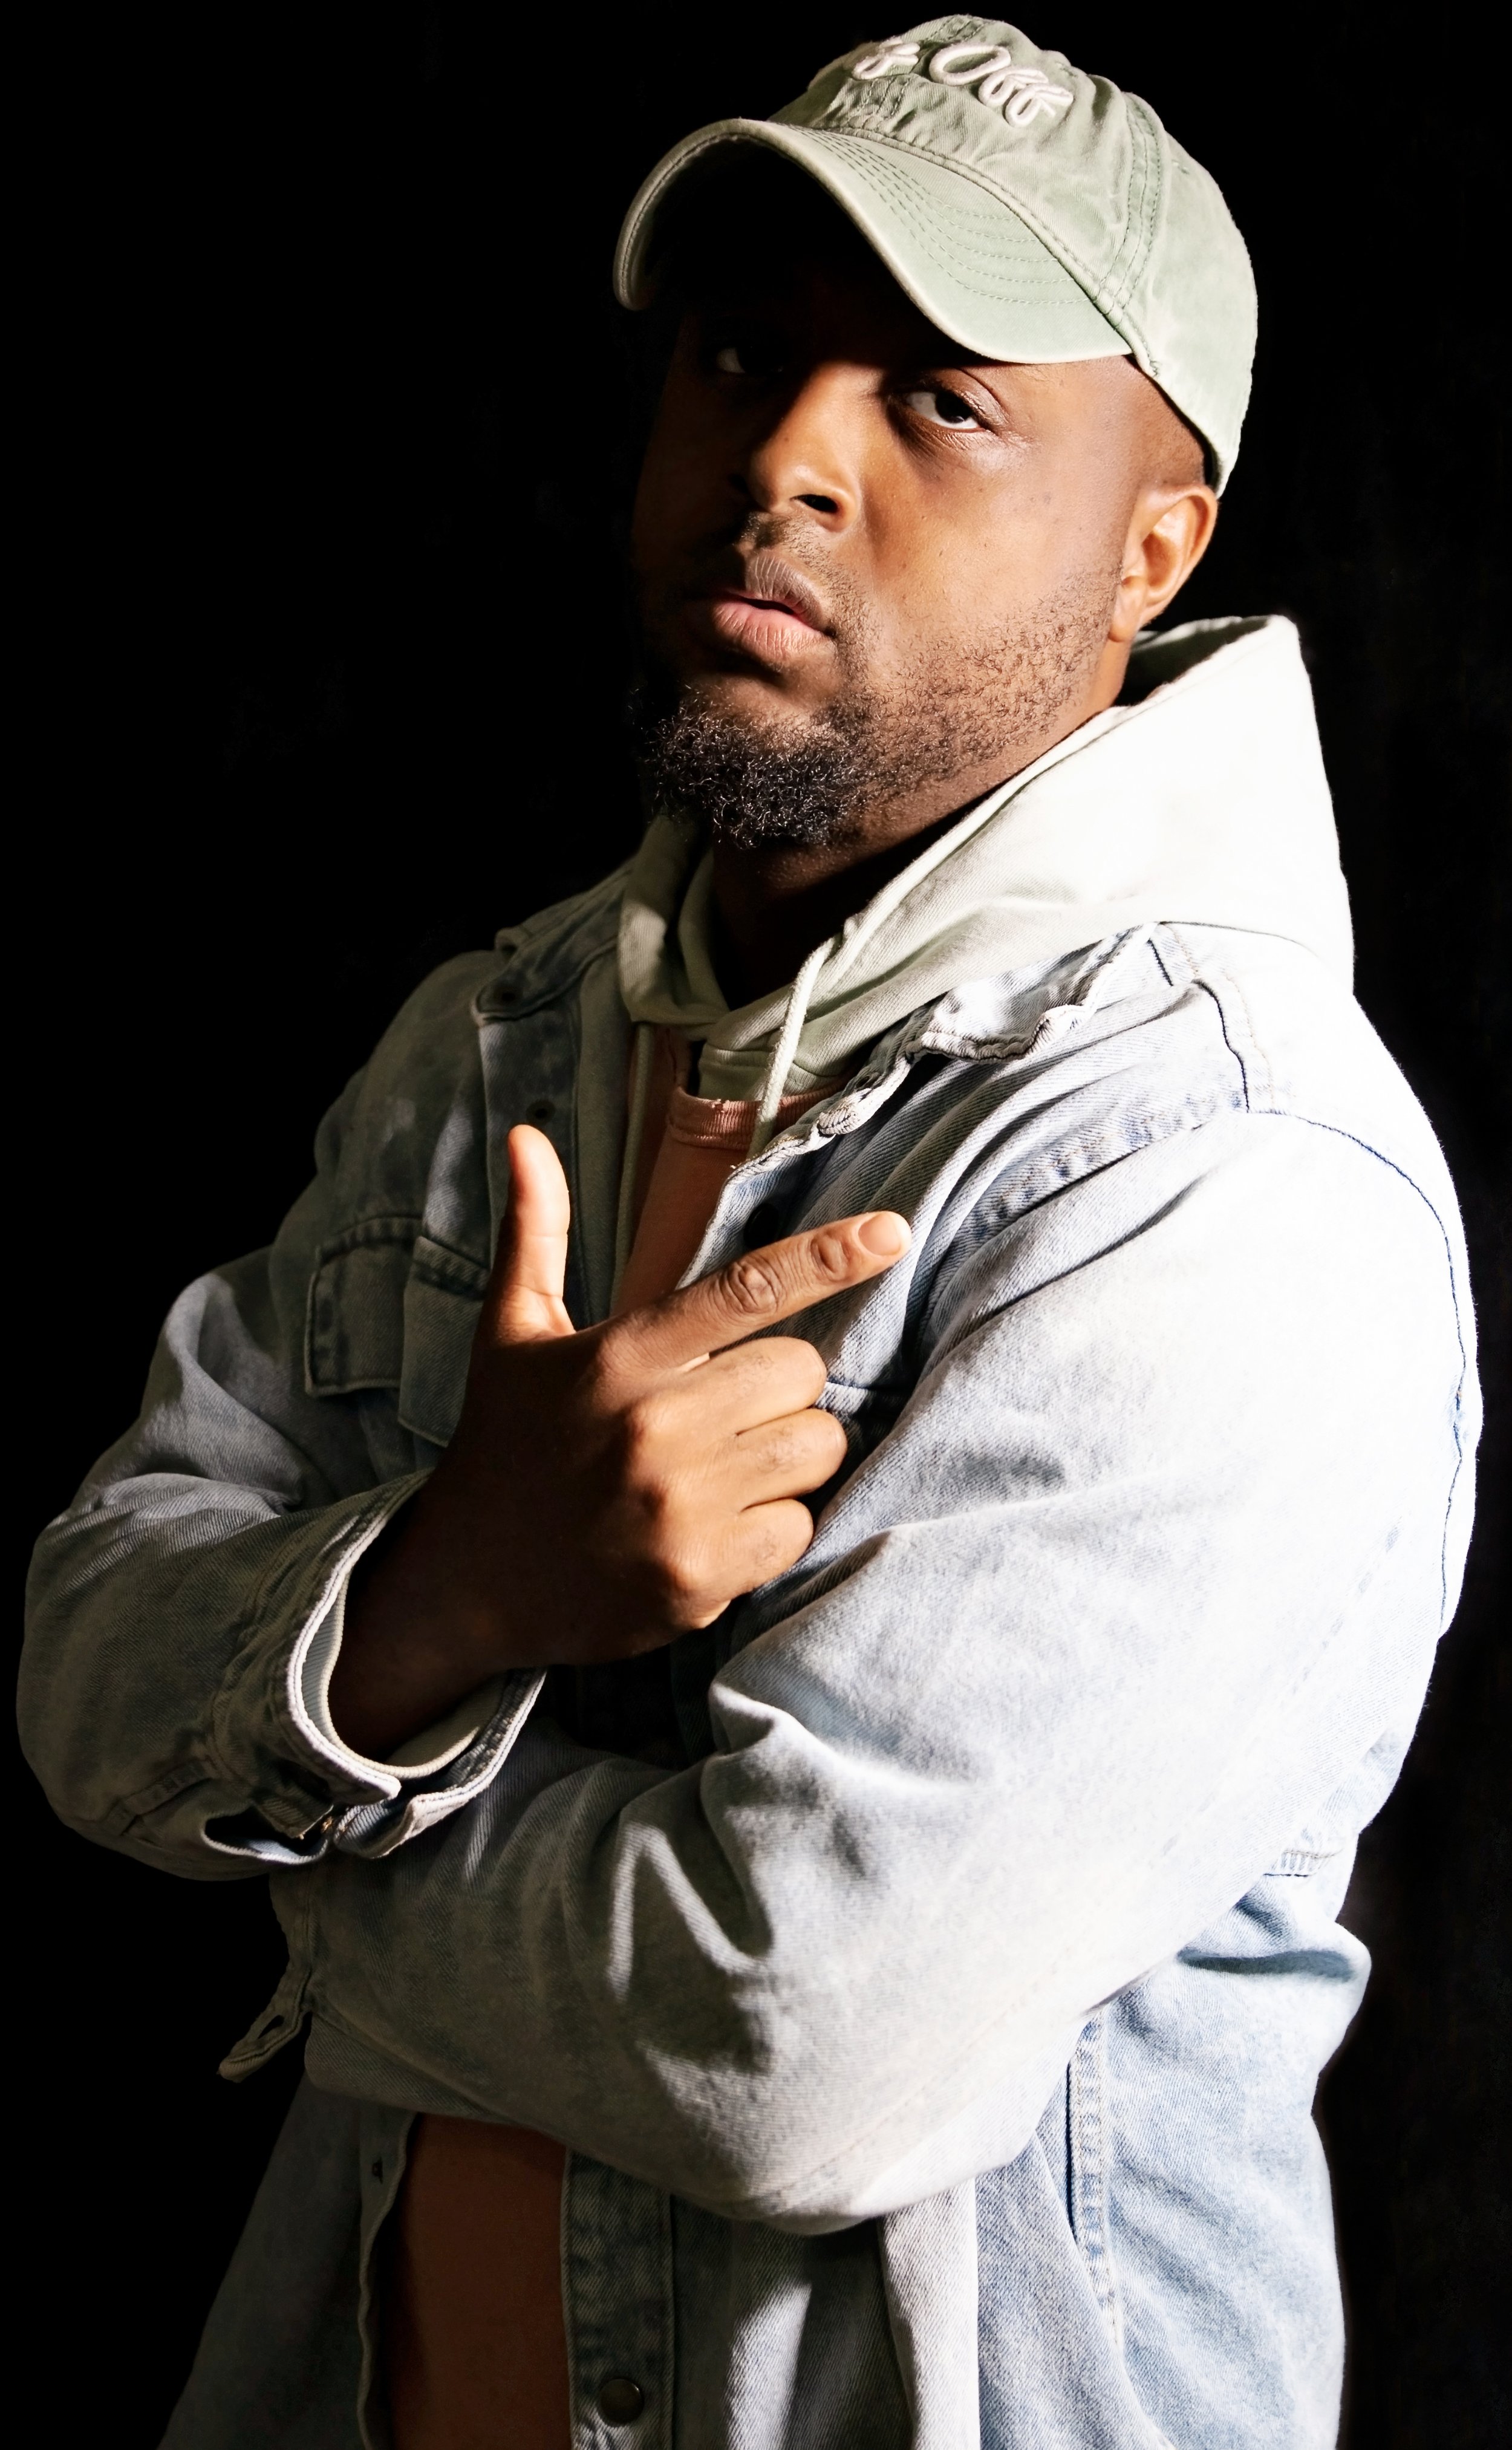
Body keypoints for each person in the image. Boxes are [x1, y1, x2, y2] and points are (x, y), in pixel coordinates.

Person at [21, 19, 1479, 2449]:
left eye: (938, 398)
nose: (784, 455)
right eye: (738, 352)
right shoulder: (492, 1044)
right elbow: (81, 1654)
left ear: (1156, 539)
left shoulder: (1205, 1176)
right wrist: (454, 1591)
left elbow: (795, 2039)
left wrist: (302, 1805)